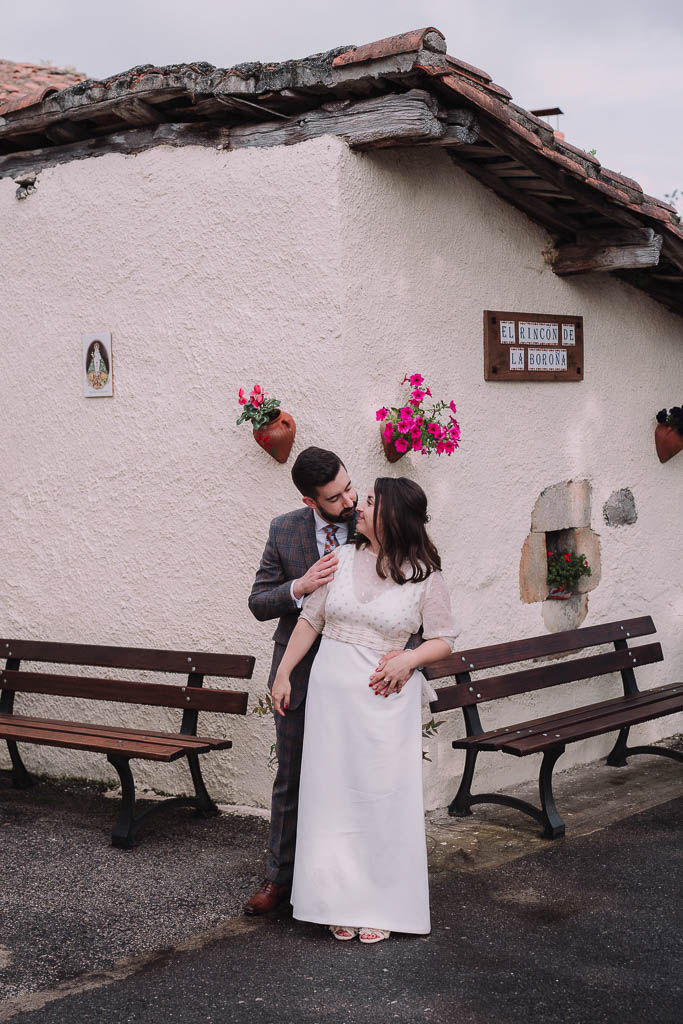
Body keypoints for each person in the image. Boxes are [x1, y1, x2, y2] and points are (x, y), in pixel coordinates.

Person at [271, 477, 459, 942]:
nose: (358, 506)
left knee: (380, 800)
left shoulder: (425, 574)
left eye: (369, 501)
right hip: (331, 702)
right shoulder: (340, 559)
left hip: (383, 704)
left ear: (391, 514)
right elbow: (310, 620)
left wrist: (409, 660)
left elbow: (444, 639)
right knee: (333, 798)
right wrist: (283, 673)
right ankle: (336, 898)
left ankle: (382, 904)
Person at [244, 448, 413, 916]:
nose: (351, 500)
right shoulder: (285, 530)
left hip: (362, 677)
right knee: (293, 775)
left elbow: (412, 590)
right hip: (299, 671)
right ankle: (279, 879)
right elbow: (259, 602)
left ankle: (353, 882)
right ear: (309, 500)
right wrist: (300, 585)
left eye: (349, 487)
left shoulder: (375, 521)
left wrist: (408, 658)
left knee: (358, 780)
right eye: (336, 497)